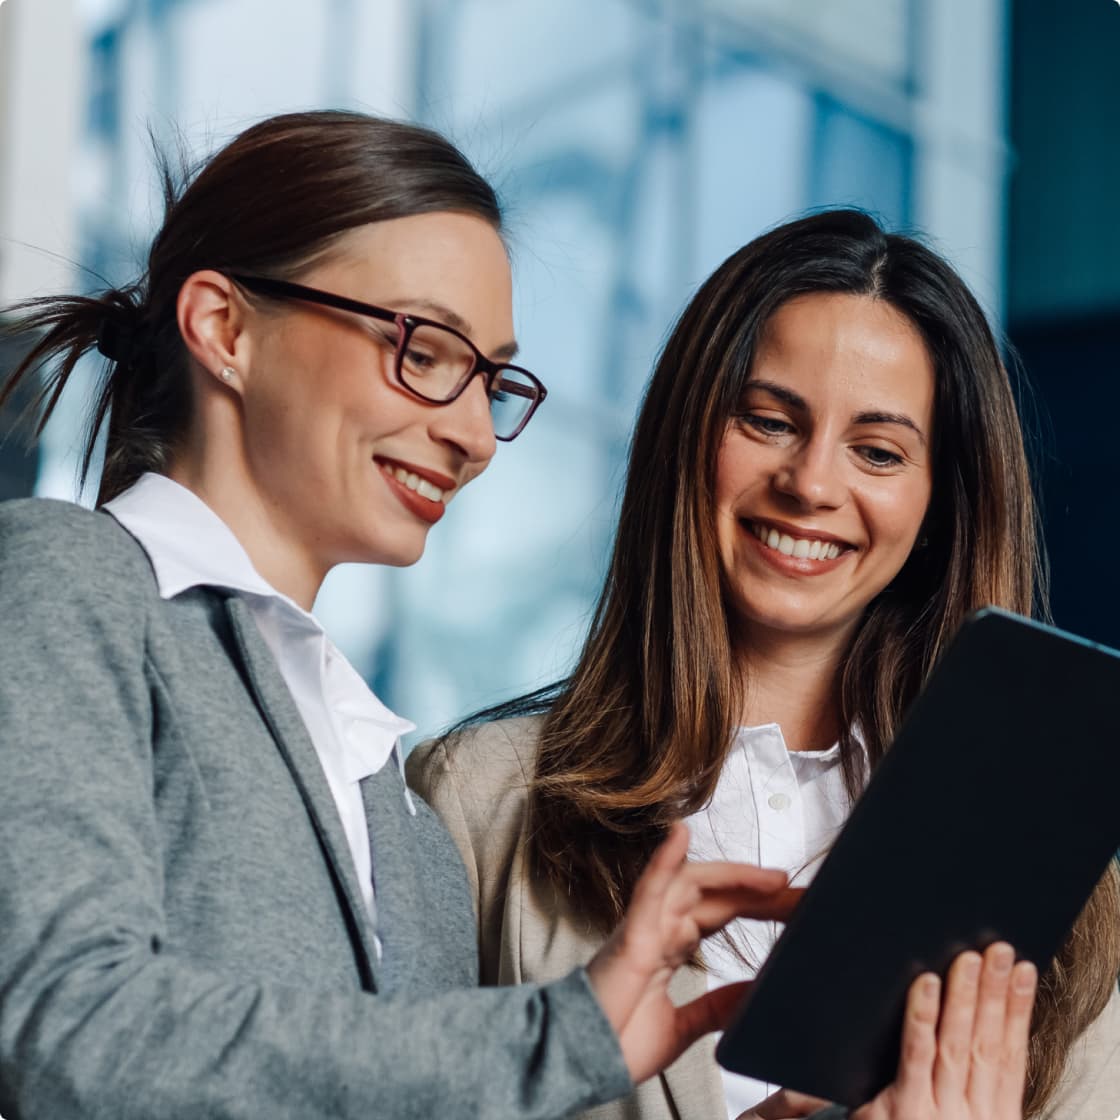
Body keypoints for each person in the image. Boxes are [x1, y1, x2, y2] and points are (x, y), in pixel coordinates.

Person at [0, 108, 833, 1120]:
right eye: (426, 351)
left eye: (491, 379)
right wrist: (562, 1033)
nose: (476, 435)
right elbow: (64, 1026)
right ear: (225, 327)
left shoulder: (405, 821)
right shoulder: (68, 582)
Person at [408, 209, 1120, 1120]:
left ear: (940, 502)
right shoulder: (480, 806)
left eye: (878, 450)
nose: (813, 483)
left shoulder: (1051, 878)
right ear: (689, 437)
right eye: (770, 420)